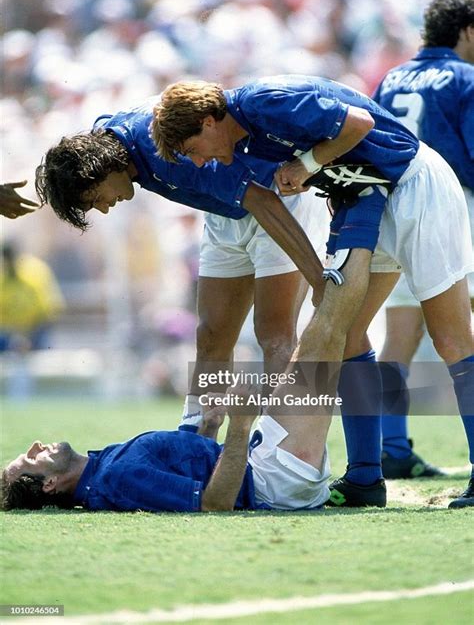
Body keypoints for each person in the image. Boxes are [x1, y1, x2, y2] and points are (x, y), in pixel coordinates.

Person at [153, 73, 474, 509]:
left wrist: (306, 166)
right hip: (367, 200)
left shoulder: (263, 102)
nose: (195, 162)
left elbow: (358, 123)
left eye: (192, 149)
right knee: (344, 334)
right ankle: (365, 477)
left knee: (451, 337)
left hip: (415, 185)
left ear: (209, 122)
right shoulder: (242, 145)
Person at [35, 97, 328, 429]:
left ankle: (289, 451)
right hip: (225, 211)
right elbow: (78, 151)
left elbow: (261, 200)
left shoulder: (170, 155)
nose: (103, 208)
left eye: (94, 199)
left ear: (99, 169)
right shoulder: (107, 141)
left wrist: (318, 278)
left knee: (275, 335)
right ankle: (195, 443)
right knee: (211, 335)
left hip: (276, 200)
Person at [372, 0, 474, 484]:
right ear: (468, 31)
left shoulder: (391, 77)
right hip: (454, 208)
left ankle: (390, 447)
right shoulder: (466, 78)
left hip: (395, 214)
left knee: (398, 341)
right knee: (460, 337)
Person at [2, 382, 333, 513]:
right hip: (270, 480)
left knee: (327, 337)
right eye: (29, 460)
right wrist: (240, 426)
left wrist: (210, 427)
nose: (34, 447)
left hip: (258, 468)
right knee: (325, 340)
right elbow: (214, 504)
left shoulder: (104, 468)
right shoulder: (118, 477)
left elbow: (195, 472)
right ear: (49, 484)